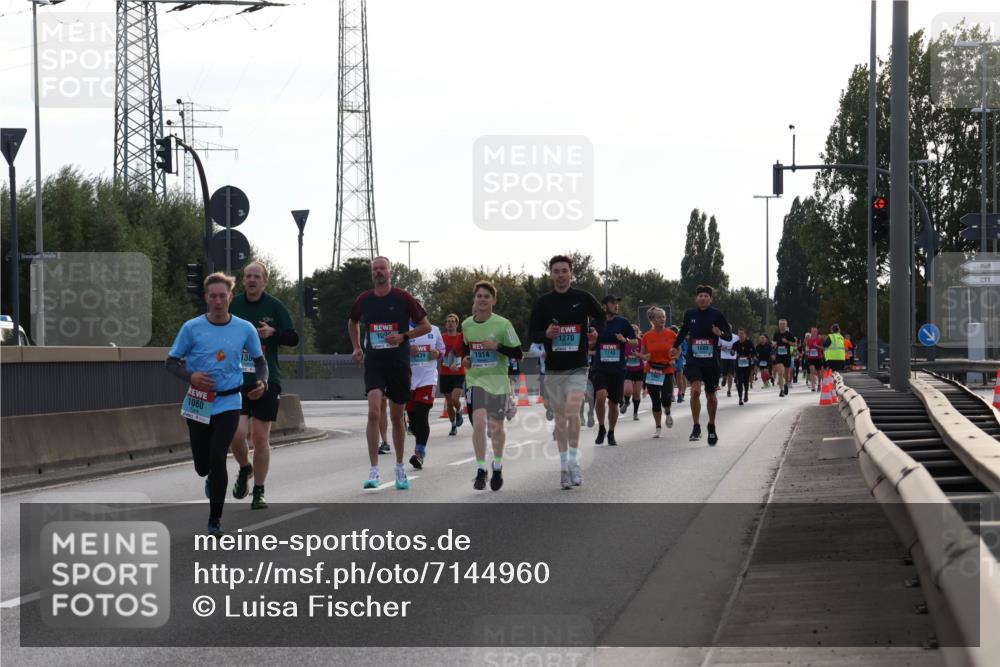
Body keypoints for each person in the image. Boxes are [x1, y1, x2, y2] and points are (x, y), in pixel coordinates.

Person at [166, 272, 266, 536]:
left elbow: (260, 362)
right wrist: (191, 376)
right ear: (206, 298)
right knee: (203, 466)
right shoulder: (192, 328)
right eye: (214, 296)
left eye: (223, 296)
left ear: (230, 297)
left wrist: (262, 382)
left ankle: (215, 520)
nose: (219, 301)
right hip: (198, 402)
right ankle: (210, 474)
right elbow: (171, 362)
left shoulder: (245, 328)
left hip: (229, 400)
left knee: (218, 455)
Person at [348, 256, 431, 490]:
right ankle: (374, 470)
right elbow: (352, 322)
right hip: (375, 363)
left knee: (396, 417)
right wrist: (356, 347)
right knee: (374, 412)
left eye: (382, 268)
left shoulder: (403, 297)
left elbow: (425, 325)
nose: (378, 272)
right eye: (375, 269)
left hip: (398, 364)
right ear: (372, 273)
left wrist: (404, 336)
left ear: (390, 272)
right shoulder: (364, 299)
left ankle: (399, 466)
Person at [228, 261, 298, 511]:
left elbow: (293, 337)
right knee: (236, 434)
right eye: (248, 276)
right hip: (236, 380)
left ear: (264, 281)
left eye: (257, 276)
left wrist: (273, 332)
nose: (252, 280)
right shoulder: (233, 304)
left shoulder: (274, 306)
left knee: (260, 437)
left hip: (267, 379)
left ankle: (259, 490)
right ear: (243, 280)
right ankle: (244, 467)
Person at [528, 255, 603, 489]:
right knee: (560, 417)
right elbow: (532, 333)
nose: (560, 275)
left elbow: (601, 317)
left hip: (578, 366)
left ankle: (574, 462)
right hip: (554, 369)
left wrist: (595, 331)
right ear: (550, 274)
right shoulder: (543, 303)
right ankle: (564, 467)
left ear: (571, 273)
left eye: (564, 271)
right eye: (556, 271)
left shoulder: (583, 298)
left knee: (572, 411)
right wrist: (545, 334)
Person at [462, 281, 522, 491]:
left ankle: (497, 466)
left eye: (487, 296)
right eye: (479, 296)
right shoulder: (466, 324)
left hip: (498, 383)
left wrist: (497, 346)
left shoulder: (503, 324)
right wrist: (466, 359)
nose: (482, 299)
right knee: (479, 424)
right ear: (474, 299)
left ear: (493, 301)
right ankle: (481, 469)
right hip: (476, 381)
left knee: (496, 428)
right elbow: (466, 348)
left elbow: (518, 353)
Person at [672, 285, 732, 446]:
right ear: (696, 298)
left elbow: (728, 335)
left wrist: (720, 334)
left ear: (710, 299)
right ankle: (696, 426)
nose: (703, 298)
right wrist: (675, 346)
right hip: (694, 360)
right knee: (696, 391)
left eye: (706, 296)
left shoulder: (717, 314)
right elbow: (683, 331)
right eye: (700, 296)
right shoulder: (690, 314)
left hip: (711, 361)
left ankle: (711, 425)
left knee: (711, 396)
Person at [589, 295, 636, 447]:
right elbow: (589, 343)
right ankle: (601, 427)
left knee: (614, 404)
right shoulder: (595, 323)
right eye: (612, 303)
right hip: (600, 367)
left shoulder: (623, 322)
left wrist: (625, 340)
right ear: (604, 306)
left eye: (617, 303)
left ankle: (611, 432)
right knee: (601, 396)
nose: (616, 305)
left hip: (617, 369)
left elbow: (635, 341)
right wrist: (592, 342)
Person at [407, 320, 446, 470]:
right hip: (408, 379)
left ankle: (419, 453)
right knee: (413, 421)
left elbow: (442, 350)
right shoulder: (404, 329)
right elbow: (393, 348)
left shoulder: (434, 330)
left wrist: (438, 353)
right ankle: (419, 442)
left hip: (428, 378)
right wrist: (407, 350)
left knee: (422, 414)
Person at [639, 306, 677, 438]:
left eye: (663, 317)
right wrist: (642, 356)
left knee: (666, 399)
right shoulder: (647, 336)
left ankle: (668, 412)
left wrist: (674, 359)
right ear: (652, 320)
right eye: (659, 317)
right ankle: (658, 427)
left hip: (667, 370)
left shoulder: (671, 334)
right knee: (655, 401)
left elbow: (678, 350)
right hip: (652, 371)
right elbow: (644, 354)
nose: (662, 319)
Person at [439, 314, 466, 436]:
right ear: (446, 324)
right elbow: (438, 352)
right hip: (445, 373)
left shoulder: (461, 337)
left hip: (458, 373)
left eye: (453, 321)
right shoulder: (441, 337)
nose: (450, 323)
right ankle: (453, 425)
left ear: (456, 324)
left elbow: (466, 351)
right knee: (449, 403)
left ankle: (459, 410)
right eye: (448, 321)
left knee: (455, 399)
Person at [623, 324, 644, 420]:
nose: (633, 332)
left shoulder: (641, 342)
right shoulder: (625, 342)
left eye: (635, 330)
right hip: (628, 369)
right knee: (628, 390)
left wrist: (638, 355)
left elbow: (645, 355)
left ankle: (635, 413)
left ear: (638, 332)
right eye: (632, 330)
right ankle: (626, 402)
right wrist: (624, 358)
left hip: (639, 369)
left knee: (636, 394)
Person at [772, 319, 796, 398]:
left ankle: (786, 384)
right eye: (781, 324)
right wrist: (774, 345)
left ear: (786, 325)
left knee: (786, 374)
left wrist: (787, 342)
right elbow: (773, 343)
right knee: (780, 373)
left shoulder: (789, 334)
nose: (782, 326)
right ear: (779, 325)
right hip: (779, 356)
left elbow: (794, 344)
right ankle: (781, 390)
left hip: (787, 356)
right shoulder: (776, 333)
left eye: (783, 324)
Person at [733, 328, 756, 405]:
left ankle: (746, 393)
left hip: (747, 363)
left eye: (742, 334)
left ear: (745, 335)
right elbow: (732, 351)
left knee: (746, 380)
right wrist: (732, 352)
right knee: (739, 381)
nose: (741, 335)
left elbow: (754, 352)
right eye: (739, 334)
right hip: (738, 364)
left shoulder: (749, 343)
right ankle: (740, 398)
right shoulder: (735, 344)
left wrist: (752, 356)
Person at [718, 330, 739, 398]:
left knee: (730, 374)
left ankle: (729, 390)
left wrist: (734, 349)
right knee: (724, 375)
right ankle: (724, 379)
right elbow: (718, 346)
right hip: (723, 357)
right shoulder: (721, 336)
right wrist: (721, 348)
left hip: (732, 357)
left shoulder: (736, 337)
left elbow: (739, 345)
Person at [804, 327, 824, 391]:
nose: (814, 333)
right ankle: (813, 386)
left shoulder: (819, 339)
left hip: (818, 358)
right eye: (812, 331)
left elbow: (823, 348)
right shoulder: (809, 339)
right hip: (811, 358)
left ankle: (819, 384)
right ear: (811, 332)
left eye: (815, 331)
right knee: (812, 371)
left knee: (818, 372)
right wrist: (807, 349)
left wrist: (816, 346)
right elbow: (807, 346)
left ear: (817, 332)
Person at [674, 332, 688, 403]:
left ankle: (681, 394)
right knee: (672, 378)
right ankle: (672, 395)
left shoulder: (682, 340)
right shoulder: (667, 339)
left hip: (681, 360)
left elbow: (686, 350)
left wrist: (680, 352)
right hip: (670, 361)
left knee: (682, 377)